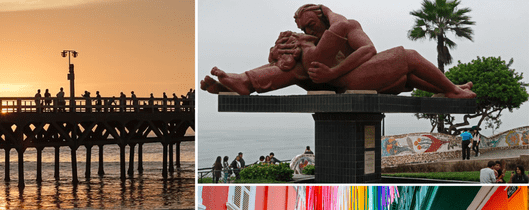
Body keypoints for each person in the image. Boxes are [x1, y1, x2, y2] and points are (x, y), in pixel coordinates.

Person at [201, 5, 475, 99]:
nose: (311, 30)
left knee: (408, 59)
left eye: (312, 24)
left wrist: (333, 70)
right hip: (339, 82)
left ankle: (449, 89)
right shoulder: (315, 42)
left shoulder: (345, 27)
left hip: (347, 77)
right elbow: (285, 65)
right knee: (295, 63)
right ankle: (242, 82)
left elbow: (369, 50)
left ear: (323, 17)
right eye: (304, 26)